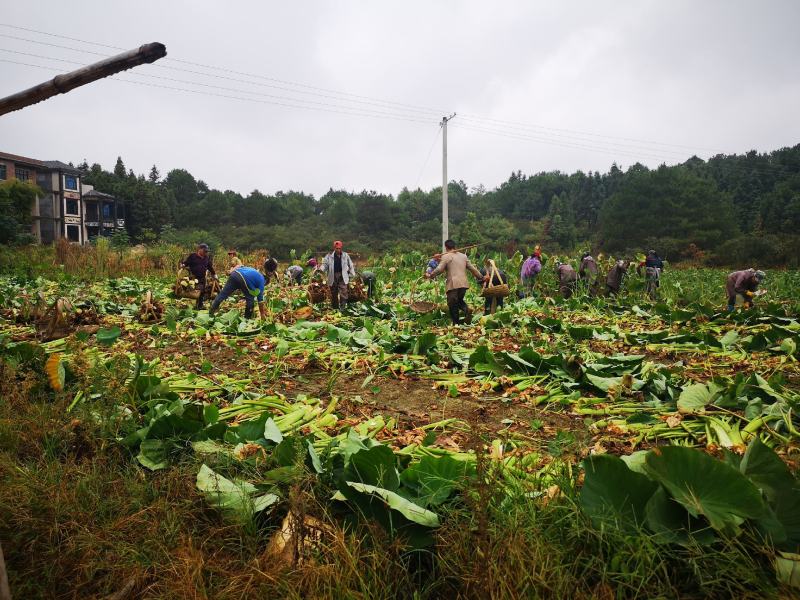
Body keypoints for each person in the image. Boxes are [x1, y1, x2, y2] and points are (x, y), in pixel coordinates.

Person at [425, 239, 488, 325]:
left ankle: (456, 324)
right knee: (459, 301)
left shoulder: (446, 256)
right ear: (454, 246)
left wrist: (431, 275)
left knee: (452, 304)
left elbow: (439, 269)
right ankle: (466, 309)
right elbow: (472, 269)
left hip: (453, 284)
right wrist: (481, 277)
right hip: (463, 283)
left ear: (446, 247)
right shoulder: (463, 256)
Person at [180, 243, 217, 310]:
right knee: (195, 290)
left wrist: (214, 274)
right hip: (193, 277)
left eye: (206, 251)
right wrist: (183, 265)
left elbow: (210, 267)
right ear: (199, 249)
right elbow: (186, 262)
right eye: (204, 251)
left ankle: (199, 305)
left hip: (202, 277)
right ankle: (197, 305)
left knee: (202, 291)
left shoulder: (206, 258)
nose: (205, 252)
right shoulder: (193, 256)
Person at [321, 240, 357, 310]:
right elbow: (325, 265)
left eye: (339, 248)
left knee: (344, 291)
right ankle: (335, 308)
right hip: (332, 275)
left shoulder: (345, 255)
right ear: (334, 248)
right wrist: (321, 270)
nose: (338, 250)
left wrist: (352, 274)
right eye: (336, 248)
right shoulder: (329, 256)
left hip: (342, 275)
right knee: (333, 292)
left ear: (341, 248)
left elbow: (351, 264)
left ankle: (342, 308)